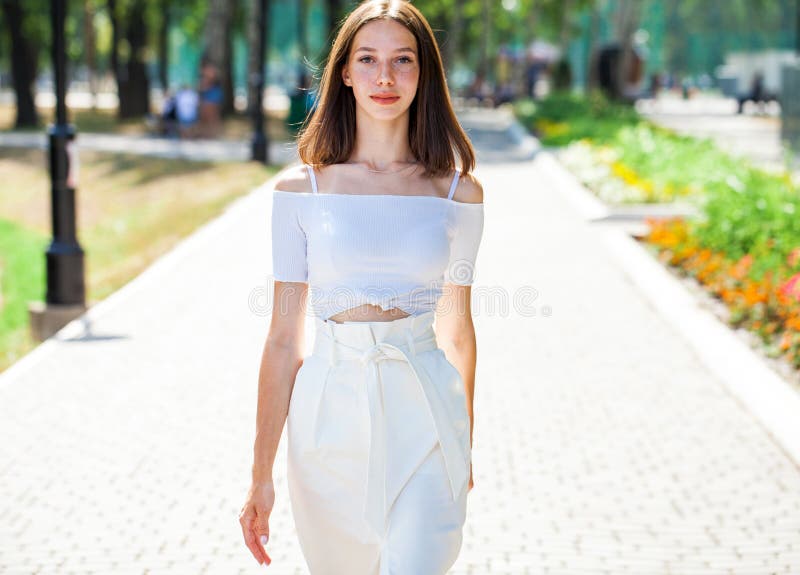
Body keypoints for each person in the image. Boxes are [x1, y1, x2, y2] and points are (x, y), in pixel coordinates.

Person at [238, 1, 485, 573]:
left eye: (403, 60)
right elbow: (282, 340)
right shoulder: (302, 192)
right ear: (344, 72)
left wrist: (464, 438)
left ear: (424, 74)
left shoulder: (458, 195)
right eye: (368, 59)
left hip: (427, 415)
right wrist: (260, 477)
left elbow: (459, 330)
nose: (385, 77)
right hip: (329, 418)